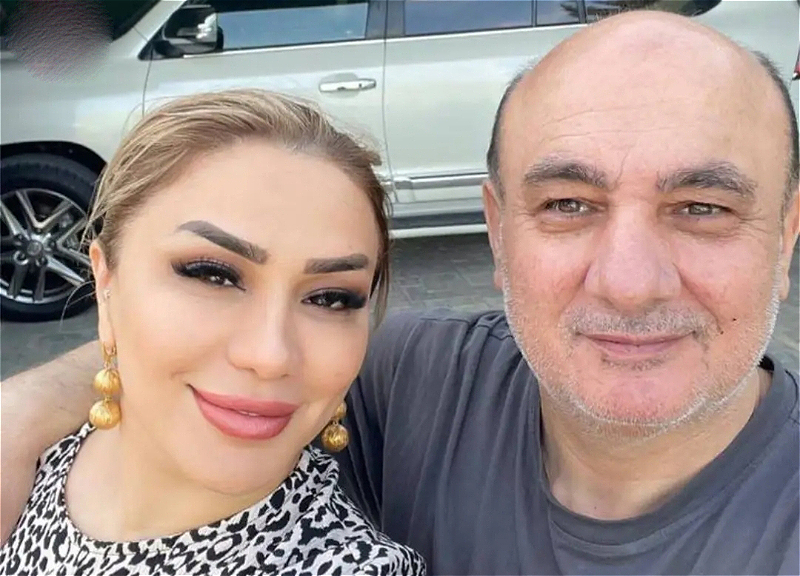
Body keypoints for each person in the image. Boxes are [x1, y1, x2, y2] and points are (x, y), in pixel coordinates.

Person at [2, 9, 799, 575]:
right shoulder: (415, 377)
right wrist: (24, 411)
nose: (628, 283)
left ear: (787, 233)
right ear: (497, 232)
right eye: (567, 204)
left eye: (703, 208)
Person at [0, 89, 425, 575]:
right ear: (105, 281)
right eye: (212, 275)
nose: (270, 355)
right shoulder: (34, 459)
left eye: (330, 298)